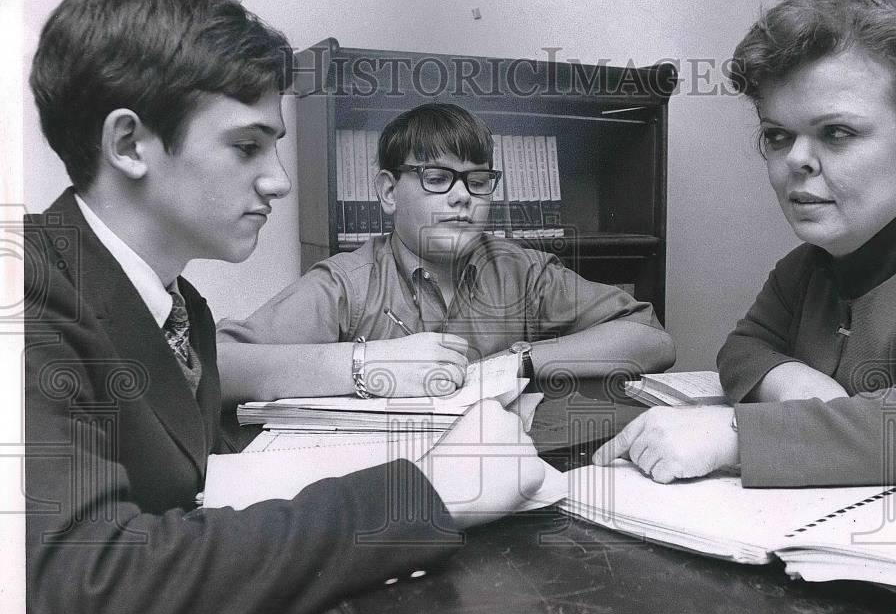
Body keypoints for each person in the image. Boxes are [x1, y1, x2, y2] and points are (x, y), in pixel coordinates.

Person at [23, 0, 544, 614]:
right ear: (128, 145)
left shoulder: (176, 307)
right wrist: (425, 492)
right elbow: (94, 598)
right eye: (247, 146)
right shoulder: (23, 297)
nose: (280, 179)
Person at [595, 0, 896, 487]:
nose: (795, 160)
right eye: (778, 135)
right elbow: (742, 348)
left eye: (837, 133)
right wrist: (792, 381)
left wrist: (735, 435)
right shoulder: (808, 267)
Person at [217, 102, 675, 403]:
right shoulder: (346, 284)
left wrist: (519, 361)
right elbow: (217, 367)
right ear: (388, 192)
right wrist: (366, 364)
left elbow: (653, 340)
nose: (463, 198)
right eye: (437, 179)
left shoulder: (522, 270)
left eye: (478, 182)